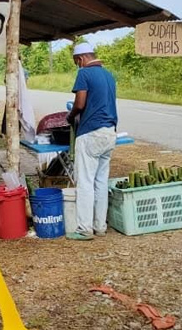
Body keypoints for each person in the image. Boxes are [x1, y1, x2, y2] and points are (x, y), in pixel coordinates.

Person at [65, 42, 118, 241]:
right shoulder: (109, 75)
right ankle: (100, 225)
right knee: (101, 181)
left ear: (80, 59)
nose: (77, 65)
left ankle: (84, 229)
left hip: (91, 133)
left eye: (76, 62)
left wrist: (71, 117)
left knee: (85, 182)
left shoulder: (84, 74)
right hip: (110, 132)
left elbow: (80, 103)